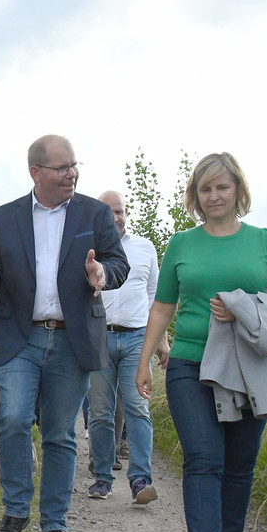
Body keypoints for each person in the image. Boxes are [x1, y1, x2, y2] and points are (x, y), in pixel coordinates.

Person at [136, 152, 267, 532]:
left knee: (239, 464)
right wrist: (145, 360)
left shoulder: (265, 240)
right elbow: (162, 307)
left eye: (221, 187)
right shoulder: (181, 244)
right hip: (190, 362)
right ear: (196, 195)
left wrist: (244, 307)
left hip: (248, 368)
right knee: (204, 457)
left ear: (237, 192)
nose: (213, 196)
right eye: (205, 189)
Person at [0, 135, 128, 532]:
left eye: (74, 166)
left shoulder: (94, 213)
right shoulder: (5, 218)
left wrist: (102, 274)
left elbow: (118, 263)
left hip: (71, 338)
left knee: (59, 434)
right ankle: (16, 511)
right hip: (19, 336)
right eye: (62, 168)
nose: (71, 174)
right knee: (13, 419)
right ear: (36, 172)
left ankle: (55, 524)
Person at [86, 190, 170, 505]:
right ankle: (103, 478)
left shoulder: (145, 248)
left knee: (137, 408)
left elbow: (154, 295)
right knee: (101, 412)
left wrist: (161, 339)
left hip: (137, 338)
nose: (115, 217)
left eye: (119, 211)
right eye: (108, 212)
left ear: (125, 213)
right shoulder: (89, 251)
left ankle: (140, 480)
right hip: (99, 338)